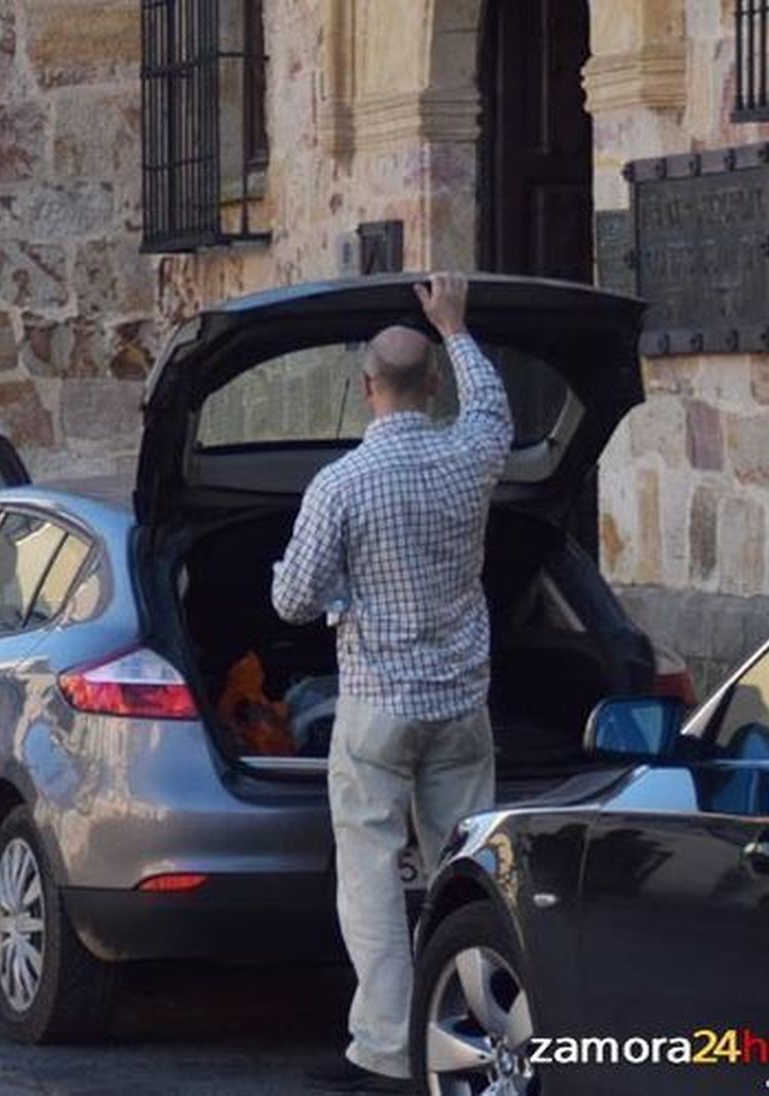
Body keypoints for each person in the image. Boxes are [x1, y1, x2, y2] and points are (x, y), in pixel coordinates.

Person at [272, 272, 514, 1092]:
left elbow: (293, 598)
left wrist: (343, 594)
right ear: (434, 383)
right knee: (470, 874)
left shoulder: (340, 485)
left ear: (366, 387)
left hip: (376, 706)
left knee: (371, 873)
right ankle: (476, 1023)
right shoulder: (471, 454)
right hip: (460, 701)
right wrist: (456, 325)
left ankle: (384, 1046)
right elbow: (494, 410)